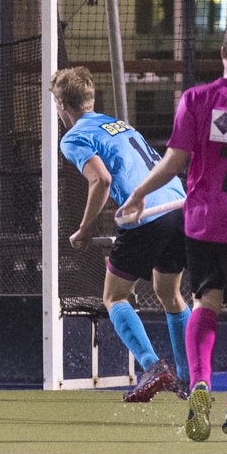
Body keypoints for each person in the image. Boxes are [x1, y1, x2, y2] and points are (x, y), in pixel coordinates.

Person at [118, 18, 227, 442]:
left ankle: (199, 385)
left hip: (203, 221)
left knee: (204, 303)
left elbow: (174, 161)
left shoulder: (196, 99)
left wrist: (138, 194)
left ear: (222, 54)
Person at [49, 66, 191, 402]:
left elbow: (101, 180)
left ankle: (153, 367)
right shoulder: (118, 123)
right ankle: (189, 379)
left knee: (114, 297)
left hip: (144, 215)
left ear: (62, 106)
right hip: (178, 205)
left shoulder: (73, 137)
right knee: (169, 293)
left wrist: (84, 230)